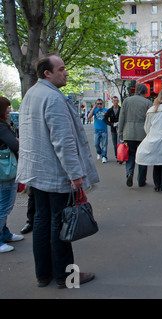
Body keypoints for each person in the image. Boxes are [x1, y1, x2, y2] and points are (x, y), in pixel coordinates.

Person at [16, 53, 99, 287]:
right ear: (47, 73)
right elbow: (63, 141)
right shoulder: (52, 98)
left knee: (42, 222)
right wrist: (76, 174)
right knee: (59, 223)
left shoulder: (32, 94)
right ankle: (64, 275)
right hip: (54, 172)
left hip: (38, 171)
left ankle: (44, 274)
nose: (65, 72)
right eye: (61, 69)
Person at [0, 97, 24, 253]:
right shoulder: (1, 126)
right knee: (4, 206)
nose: (9, 110)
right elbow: (14, 145)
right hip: (6, 172)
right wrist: (18, 141)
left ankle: (5, 234)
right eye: (7, 107)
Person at [118, 83, 152, 187]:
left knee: (130, 155)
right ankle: (141, 180)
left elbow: (121, 117)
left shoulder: (127, 101)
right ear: (145, 91)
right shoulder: (148, 102)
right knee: (143, 156)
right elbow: (150, 120)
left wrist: (120, 132)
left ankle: (129, 173)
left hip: (129, 132)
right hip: (143, 133)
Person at [88, 98, 108, 163]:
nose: (99, 105)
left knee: (104, 144)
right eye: (98, 104)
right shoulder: (95, 110)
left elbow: (110, 116)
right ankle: (99, 152)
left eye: (100, 103)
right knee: (96, 144)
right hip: (97, 130)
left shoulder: (106, 110)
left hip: (104, 129)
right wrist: (93, 108)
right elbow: (89, 116)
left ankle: (104, 156)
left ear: (102, 104)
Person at [104, 96, 122, 163]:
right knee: (115, 144)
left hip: (120, 129)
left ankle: (121, 156)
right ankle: (117, 156)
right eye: (114, 101)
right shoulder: (110, 110)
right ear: (112, 101)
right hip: (113, 129)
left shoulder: (121, 109)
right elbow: (105, 119)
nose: (116, 102)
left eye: (117, 100)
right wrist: (111, 124)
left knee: (120, 143)